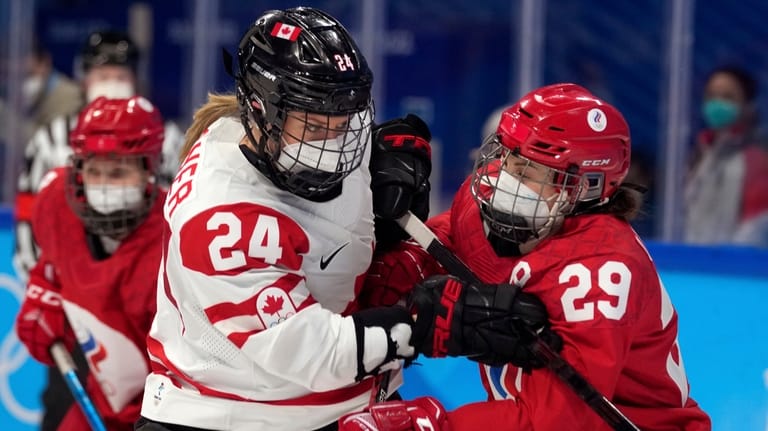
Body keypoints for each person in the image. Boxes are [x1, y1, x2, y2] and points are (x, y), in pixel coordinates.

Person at [134, 7, 449, 431]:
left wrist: (392, 155)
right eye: (317, 126)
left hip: (341, 402)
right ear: (261, 112)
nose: (335, 144)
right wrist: (434, 324)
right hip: (233, 415)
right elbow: (316, 353)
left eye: (344, 120)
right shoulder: (219, 217)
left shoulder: (302, 140)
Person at [340, 83, 712, 430]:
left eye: (530, 171)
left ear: (584, 188)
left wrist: (433, 422)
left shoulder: (599, 272)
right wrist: (392, 263)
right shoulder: (484, 209)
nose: (505, 178)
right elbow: (441, 243)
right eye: (507, 157)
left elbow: (558, 421)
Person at [14, 96, 167, 431]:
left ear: (149, 168)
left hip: (164, 408)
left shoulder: (176, 238)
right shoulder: (57, 203)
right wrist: (45, 290)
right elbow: (54, 264)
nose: (104, 185)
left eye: (118, 171)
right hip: (102, 399)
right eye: (94, 170)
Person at [14, 29, 184, 282]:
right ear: (84, 80)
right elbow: (29, 216)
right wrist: (46, 281)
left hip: (148, 280)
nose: (112, 84)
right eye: (103, 76)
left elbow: (179, 212)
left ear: (135, 80)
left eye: (120, 76)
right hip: (67, 280)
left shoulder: (167, 138)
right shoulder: (49, 139)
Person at [684, 65, 768, 247]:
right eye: (711, 96)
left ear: (748, 105)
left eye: (728, 97)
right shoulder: (700, 153)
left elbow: (757, 226)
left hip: (736, 266)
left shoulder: (758, 158)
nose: (717, 104)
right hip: (693, 260)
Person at [21, 36, 82, 141]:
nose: (24, 82)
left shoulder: (68, 95)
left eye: (30, 74)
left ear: (45, 62)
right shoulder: (10, 96)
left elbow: (54, 140)